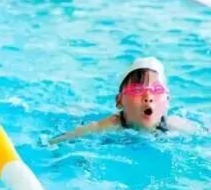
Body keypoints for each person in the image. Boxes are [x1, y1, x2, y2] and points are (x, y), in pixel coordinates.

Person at [50, 57, 196, 144]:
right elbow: (63, 139)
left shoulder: (174, 125)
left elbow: (208, 137)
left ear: (167, 100)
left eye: (157, 90)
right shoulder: (111, 124)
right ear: (120, 101)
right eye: (137, 90)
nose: (148, 97)